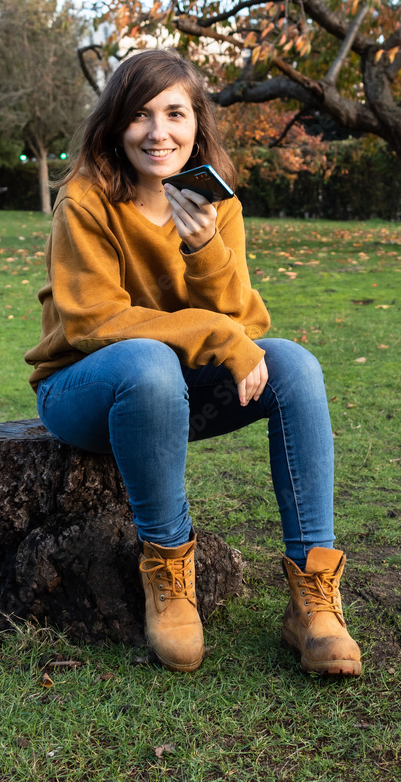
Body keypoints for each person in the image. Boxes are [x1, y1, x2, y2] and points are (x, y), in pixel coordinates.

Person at [24, 48, 361, 676]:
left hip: (172, 391)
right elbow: (96, 322)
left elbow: (247, 324)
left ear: (197, 123)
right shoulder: (86, 199)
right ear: (115, 125)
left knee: (295, 366)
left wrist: (205, 247)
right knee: (147, 362)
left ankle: (313, 599)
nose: (159, 132)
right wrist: (217, 336)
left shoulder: (215, 203)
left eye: (175, 113)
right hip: (82, 390)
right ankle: (170, 573)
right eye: (141, 115)